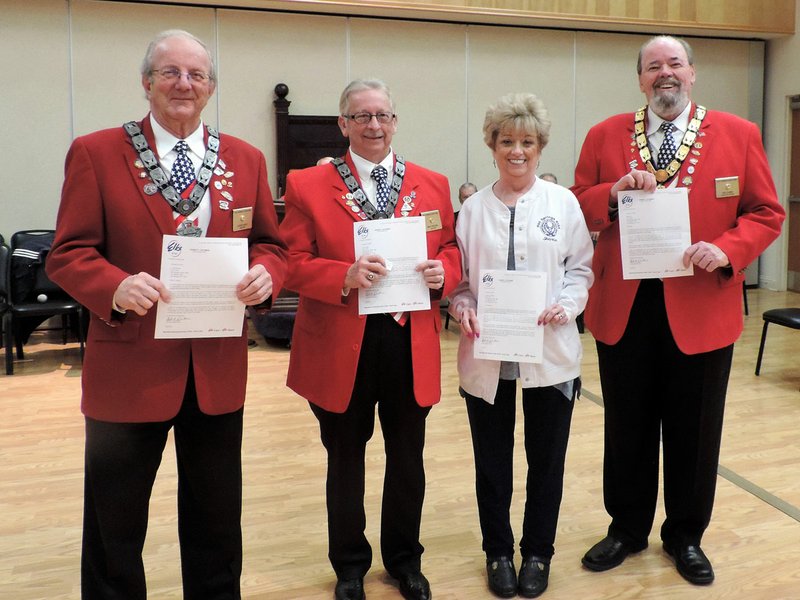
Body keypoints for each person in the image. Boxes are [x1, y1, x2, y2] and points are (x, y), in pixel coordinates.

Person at [46, 30, 287, 599]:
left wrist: (267, 274)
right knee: (115, 523)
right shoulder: (98, 152)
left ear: (210, 88)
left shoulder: (245, 158)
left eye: (196, 75)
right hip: (130, 367)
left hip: (216, 369)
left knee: (216, 521)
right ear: (147, 82)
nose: (184, 84)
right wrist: (115, 285)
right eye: (170, 72)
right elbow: (67, 253)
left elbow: (271, 246)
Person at [572, 35, 784, 585]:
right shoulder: (604, 134)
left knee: (695, 430)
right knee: (626, 424)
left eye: (674, 64)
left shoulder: (739, 134)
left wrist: (729, 250)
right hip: (624, 306)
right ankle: (626, 527)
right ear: (640, 79)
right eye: (652, 66)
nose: (664, 73)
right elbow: (576, 205)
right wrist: (612, 195)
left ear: (692, 72)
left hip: (701, 305)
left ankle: (686, 535)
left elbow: (765, 212)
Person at [279, 79, 461, 600]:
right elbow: (291, 263)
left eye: (382, 115)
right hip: (341, 341)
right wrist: (343, 274)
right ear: (343, 125)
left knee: (408, 458)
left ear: (395, 121)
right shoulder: (308, 184)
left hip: (409, 341)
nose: (373, 125)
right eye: (361, 117)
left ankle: (405, 560)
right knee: (345, 459)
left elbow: (450, 248)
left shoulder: (432, 183)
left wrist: (442, 274)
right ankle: (350, 566)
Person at [449, 93, 594, 598]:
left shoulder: (563, 204)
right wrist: (461, 305)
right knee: (492, 466)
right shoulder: (471, 210)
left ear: (540, 147)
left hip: (550, 355)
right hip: (488, 356)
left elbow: (580, 270)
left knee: (546, 463)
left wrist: (569, 305)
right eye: (507, 141)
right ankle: (497, 553)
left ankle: (537, 553)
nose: (517, 150)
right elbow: (460, 282)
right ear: (492, 146)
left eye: (527, 142)